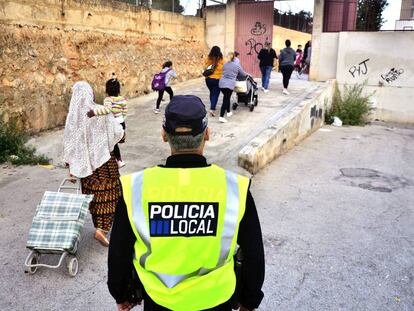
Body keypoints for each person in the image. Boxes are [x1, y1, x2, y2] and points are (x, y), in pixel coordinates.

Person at [108, 95, 265, 311]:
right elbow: (254, 254)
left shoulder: (135, 187)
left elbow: (119, 252)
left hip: (159, 302)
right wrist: (249, 300)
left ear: (164, 135)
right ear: (207, 134)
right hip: (217, 301)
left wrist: (121, 294)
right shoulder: (234, 188)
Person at [63, 81, 124, 247]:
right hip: (105, 163)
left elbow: (69, 144)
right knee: (111, 194)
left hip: (86, 168)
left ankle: (99, 227)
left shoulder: (72, 118)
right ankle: (102, 230)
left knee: (94, 197)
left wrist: (72, 167)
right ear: (89, 94)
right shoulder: (100, 111)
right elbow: (117, 133)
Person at [87, 75, 128, 168]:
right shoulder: (122, 99)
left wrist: (94, 112)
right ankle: (117, 159)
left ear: (107, 90)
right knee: (114, 142)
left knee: (112, 143)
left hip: (112, 124)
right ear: (118, 89)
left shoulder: (108, 100)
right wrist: (121, 118)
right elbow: (125, 110)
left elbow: (107, 110)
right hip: (121, 122)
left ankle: (118, 160)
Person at [219, 52, 247, 123]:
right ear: (234, 58)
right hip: (229, 84)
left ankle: (228, 112)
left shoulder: (224, 64)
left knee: (226, 97)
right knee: (226, 99)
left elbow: (223, 72)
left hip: (222, 84)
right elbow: (243, 74)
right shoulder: (237, 65)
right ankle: (221, 117)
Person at [204, 46, 224, 117]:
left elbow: (205, 68)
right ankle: (212, 108)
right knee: (215, 94)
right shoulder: (221, 60)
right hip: (217, 80)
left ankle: (212, 105)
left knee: (212, 93)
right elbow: (224, 68)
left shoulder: (208, 58)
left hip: (208, 80)